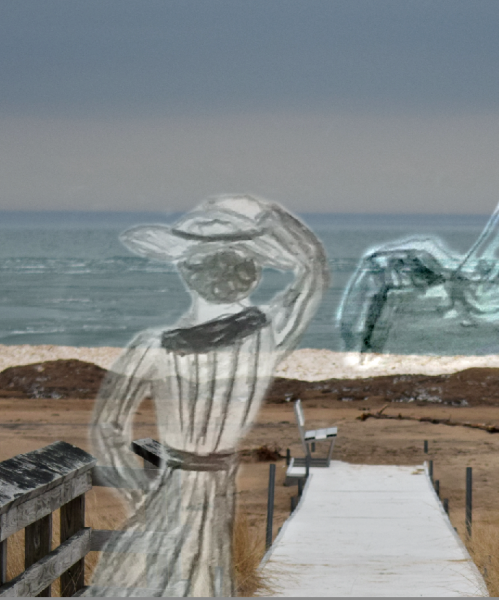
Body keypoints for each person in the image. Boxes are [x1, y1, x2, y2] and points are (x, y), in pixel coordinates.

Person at [90, 194, 328, 596]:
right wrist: (274, 219)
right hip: (198, 485)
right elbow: (313, 272)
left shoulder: (158, 345)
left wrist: (137, 493)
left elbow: (107, 428)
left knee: (167, 576)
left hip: (188, 486)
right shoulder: (265, 333)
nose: (224, 272)